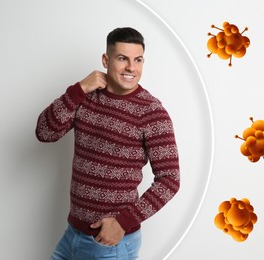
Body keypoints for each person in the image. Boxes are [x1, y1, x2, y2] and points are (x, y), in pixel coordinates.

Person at [35, 27, 180, 260]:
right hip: (72, 233)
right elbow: (44, 132)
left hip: (111, 244)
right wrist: (79, 89)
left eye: (138, 60)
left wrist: (123, 222)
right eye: (122, 58)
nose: (131, 68)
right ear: (106, 59)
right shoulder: (86, 97)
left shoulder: (152, 112)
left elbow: (170, 180)